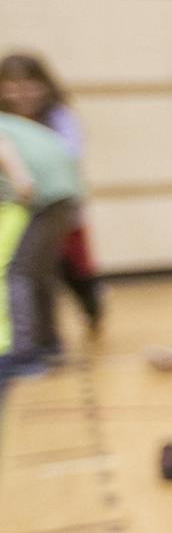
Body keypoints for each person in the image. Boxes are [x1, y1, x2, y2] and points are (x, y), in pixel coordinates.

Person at [1, 52, 102, 335]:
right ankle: (44, 341)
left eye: (29, 85)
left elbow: (69, 157)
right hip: (23, 206)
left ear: (44, 84)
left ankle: (88, 306)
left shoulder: (59, 116)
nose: (22, 93)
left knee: (72, 268)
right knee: (40, 269)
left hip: (55, 200)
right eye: (12, 85)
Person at [0, 112, 83, 379]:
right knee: (40, 272)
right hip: (65, 195)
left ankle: (24, 354)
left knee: (19, 273)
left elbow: (8, 157)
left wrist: (22, 184)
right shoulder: (10, 121)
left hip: (43, 196)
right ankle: (49, 344)